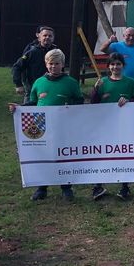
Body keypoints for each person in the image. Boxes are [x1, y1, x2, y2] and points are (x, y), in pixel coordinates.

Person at [9, 48, 83, 201]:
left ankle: (66, 187)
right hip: (42, 127)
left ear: (62, 64)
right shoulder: (39, 82)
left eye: (56, 64)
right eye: (50, 64)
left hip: (63, 126)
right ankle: (42, 187)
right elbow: (34, 102)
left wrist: (70, 107)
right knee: (43, 155)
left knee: (63, 155)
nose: (53, 67)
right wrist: (18, 108)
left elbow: (79, 101)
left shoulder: (71, 83)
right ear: (46, 64)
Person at [89, 53, 134, 200]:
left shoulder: (130, 82)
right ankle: (98, 186)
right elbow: (93, 103)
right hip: (104, 125)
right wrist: (94, 89)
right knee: (101, 154)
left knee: (123, 154)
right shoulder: (102, 82)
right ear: (108, 66)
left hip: (124, 125)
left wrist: (129, 100)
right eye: (112, 64)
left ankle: (124, 186)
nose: (115, 67)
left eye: (118, 64)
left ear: (123, 65)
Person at [12, 26, 56, 99]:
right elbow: (17, 67)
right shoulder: (31, 52)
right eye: (45, 35)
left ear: (53, 38)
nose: (47, 37)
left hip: (51, 88)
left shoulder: (56, 52)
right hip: (33, 89)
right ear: (39, 37)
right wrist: (18, 84)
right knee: (28, 109)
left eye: (50, 36)